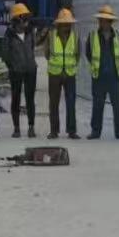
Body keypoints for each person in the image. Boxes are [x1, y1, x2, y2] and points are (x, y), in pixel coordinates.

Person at [87, 5, 119, 140]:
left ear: (110, 22)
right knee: (97, 105)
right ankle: (95, 131)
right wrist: (97, 66)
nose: (102, 22)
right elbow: (88, 53)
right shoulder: (92, 36)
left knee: (118, 106)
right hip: (98, 77)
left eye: (105, 20)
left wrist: (115, 67)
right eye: (101, 20)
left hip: (115, 77)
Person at [1, 2, 39, 138]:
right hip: (16, 71)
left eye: (27, 18)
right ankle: (16, 128)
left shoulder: (30, 33)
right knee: (16, 99)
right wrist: (12, 66)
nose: (26, 21)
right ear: (17, 19)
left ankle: (31, 127)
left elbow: (32, 48)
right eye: (24, 18)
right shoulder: (9, 35)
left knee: (30, 99)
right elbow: (5, 53)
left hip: (30, 70)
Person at [45, 8, 79, 140]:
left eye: (68, 24)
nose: (66, 26)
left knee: (71, 103)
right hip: (54, 74)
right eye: (64, 24)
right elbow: (47, 53)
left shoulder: (75, 37)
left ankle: (72, 131)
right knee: (54, 104)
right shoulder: (51, 36)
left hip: (70, 74)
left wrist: (70, 65)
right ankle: (54, 131)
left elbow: (78, 54)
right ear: (58, 24)